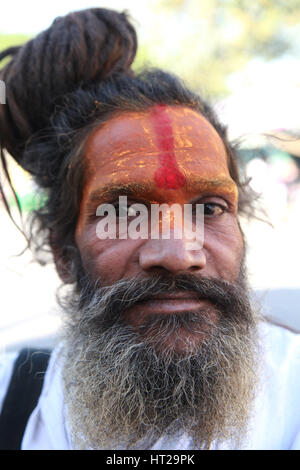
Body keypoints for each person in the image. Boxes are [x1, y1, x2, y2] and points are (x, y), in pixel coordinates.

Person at [0, 8, 299, 451]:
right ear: (63, 251)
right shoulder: (12, 400)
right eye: (123, 210)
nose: (180, 253)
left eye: (210, 208)